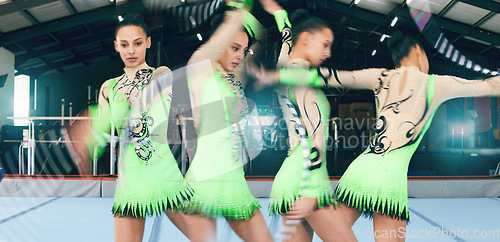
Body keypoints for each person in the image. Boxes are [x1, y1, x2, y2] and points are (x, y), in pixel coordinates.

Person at [255, 30, 500, 241]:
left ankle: (307, 203)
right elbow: (490, 85)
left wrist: (279, 73)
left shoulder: (381, 76)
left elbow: (333, 76)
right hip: (389, 181)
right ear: (418, 51)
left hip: (359, 172)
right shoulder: (436, 83)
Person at [69, 13, 193, 242]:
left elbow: (170, 113)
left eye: (137, 43)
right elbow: (102, 131)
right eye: (124, 45)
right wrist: (87, 140)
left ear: (147, 42)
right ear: (116, 46)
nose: (131, 51)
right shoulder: (109, 87)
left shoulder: (162, 74)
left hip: (165, 177)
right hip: (130, 182)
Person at [258, 1, 357, 241]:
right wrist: (310, 190)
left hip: (289, 179)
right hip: (307, 181)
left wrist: (280, 14)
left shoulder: (285, 66)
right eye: (324, 44)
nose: (328, 52)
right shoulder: (302, 77)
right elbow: (315, 136)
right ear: (305, 39)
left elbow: (286, 40)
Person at [183, 2, 273, 241]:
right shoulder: (200, 68)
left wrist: (249, 12)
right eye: (234, 47)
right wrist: (236, 10)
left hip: (234, 182)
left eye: (243, 50)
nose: (240, 56)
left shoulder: (234, 79)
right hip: (204, 181)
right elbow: (213, 45)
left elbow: (261, 35)